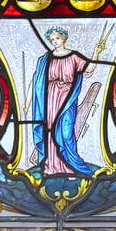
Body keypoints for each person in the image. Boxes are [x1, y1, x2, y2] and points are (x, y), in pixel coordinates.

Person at [31, 27, 95, 176]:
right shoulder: (46, 59)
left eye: (57, 38)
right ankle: (51, 167)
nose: (54, 41)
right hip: (50, 99)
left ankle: (71, 166)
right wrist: (28, 101)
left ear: (64, 38)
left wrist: (96, 53)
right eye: (52, 40)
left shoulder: (74, 57)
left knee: (66, 132)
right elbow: (36, 81)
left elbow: (89, 69)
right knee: (49, 131)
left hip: (67, 99)